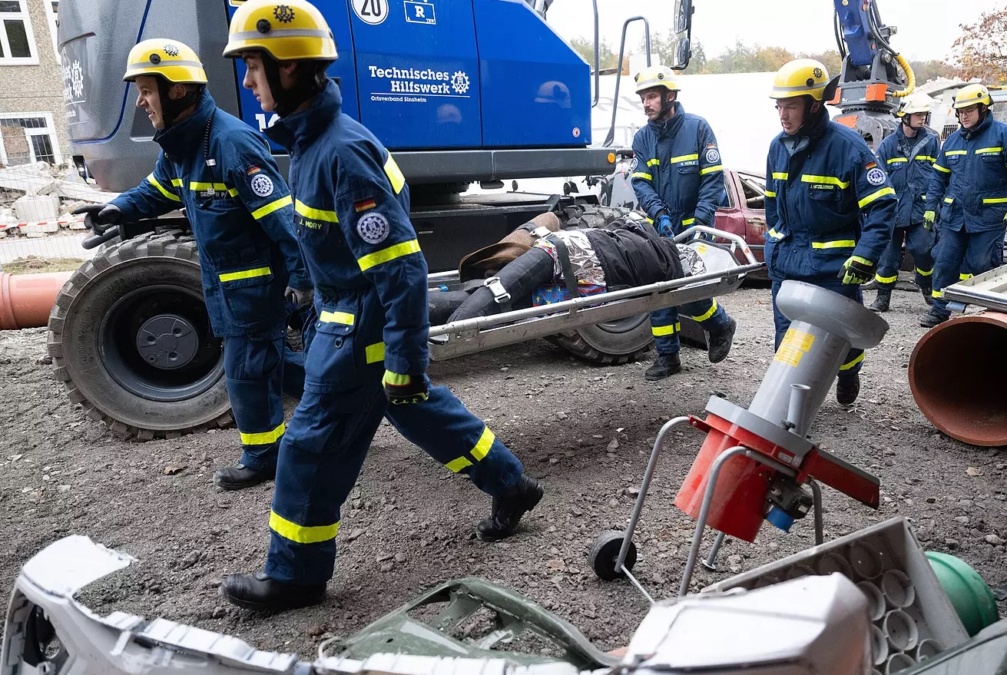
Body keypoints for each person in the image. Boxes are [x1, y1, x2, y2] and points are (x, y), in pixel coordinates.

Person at [219, 0, 542, 612]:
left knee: (307, 446)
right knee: (421, 413)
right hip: (348, 320)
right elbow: (341, 250)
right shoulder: (317, 144)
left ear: (289, 67)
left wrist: (404, 359)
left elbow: (401, 269)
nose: (248, 80)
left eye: (254, 67)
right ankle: (513, 485)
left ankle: (296, 575)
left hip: (358, 332)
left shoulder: (339, 153)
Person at [72, 40, 311, 491]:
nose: (141, 102)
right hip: (225, 288)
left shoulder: (232, 143)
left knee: (245, 375)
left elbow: (286, 223)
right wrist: (118, 210)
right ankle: (346, 406)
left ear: (177, 90)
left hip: (255, 288)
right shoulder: (182, 146)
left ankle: (265, 458)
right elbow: (159, 191)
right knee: (272, 367)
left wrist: (302, 283)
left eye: (146, 91)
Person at [764, 59, 896, 405]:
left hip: (835, 268)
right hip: (788, 262)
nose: (783, 115)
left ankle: (849, 373)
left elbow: (882, 204)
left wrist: (865, 256)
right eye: (779, 106)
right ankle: (795, 404)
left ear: (814, 103)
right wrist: (774, 243)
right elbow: (771, 206)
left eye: (791, 106)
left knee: (841, 339)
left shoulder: (848, 147)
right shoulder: (778, 147)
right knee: (788, 340)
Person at [629, 65, 737, 381]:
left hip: (696, 226)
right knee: (659, 291)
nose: (646, 103)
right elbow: (641, 183)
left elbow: (712, 179)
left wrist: (701, 222)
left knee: (692, 289)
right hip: (661, 228)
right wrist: (660, 216)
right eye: (643, 97)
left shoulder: (698, 129)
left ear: (670, 96)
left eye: (651, 96)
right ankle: (667, 356)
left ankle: (720, 325)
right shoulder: (642, 138)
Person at [446, 214, 730, 329]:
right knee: (499, 297)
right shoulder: (666, 264)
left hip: (573, 261)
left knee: (496, 295)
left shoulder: (648, 244)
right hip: (576, 267)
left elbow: (616, 226)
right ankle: (447, 332)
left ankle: (443, 328)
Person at [921, 84, 1007, 328]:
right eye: (960, 112)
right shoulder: (951, 142)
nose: (964, 116)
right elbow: (938, 177)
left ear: (983, 108)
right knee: (944, 261)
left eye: (969, 110)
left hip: (988, 217)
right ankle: (940, 310)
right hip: (954, 216)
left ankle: (987, 313)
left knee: (983, 265)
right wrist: (930, 206)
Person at [868, 93, 940, 312]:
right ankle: (883, 296)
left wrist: (936, 204)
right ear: (904, 116)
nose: (922, 118)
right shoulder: (888, 145)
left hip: (922, 209)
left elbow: (940, 174)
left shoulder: (931, 142)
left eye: (924, 114)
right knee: (888, 257)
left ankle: (927, 287)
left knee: (923, 250)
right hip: (894, 210)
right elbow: (877, 179)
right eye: (918, 114)